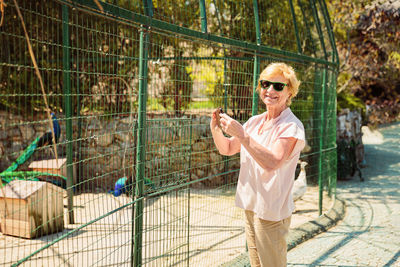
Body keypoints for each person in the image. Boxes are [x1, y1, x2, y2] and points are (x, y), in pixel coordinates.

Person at [210, 62, 305, 267]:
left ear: (290, 92)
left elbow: (273, 162)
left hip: (271, 210)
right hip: (251, 206)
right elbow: (226, 148)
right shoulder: (255, 122)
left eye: (278, 86)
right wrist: (216, 128)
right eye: (265, 84)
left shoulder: (291, 126)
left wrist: (242, 135)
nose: (270, 90)